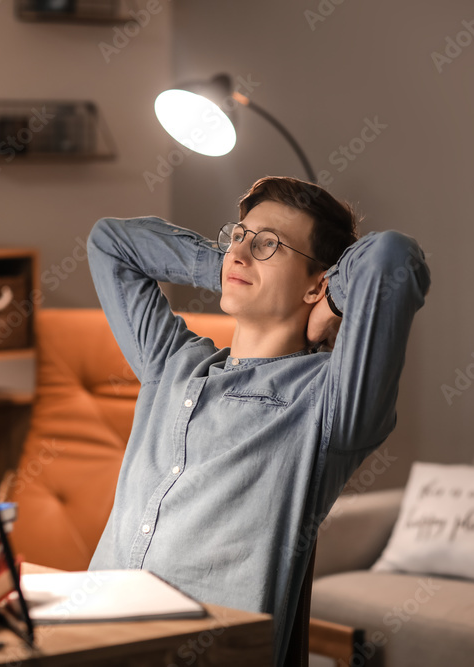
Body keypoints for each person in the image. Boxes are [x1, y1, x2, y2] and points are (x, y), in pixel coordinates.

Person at [86, 176, 430, 667]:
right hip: (88, 636)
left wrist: (331, 301)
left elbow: (393, 258)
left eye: (270, 244)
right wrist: (227, 266)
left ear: (318, 281)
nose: (242, 251)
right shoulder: (172, 364)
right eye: (240, 236)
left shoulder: (327, 402)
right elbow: (110, 242)